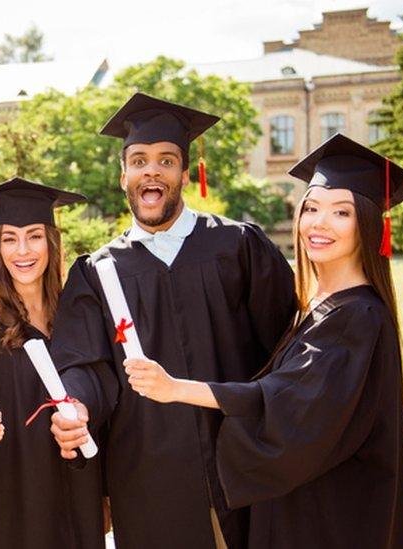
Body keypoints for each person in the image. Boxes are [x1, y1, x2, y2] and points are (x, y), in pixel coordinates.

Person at [129, 133, 403, 548]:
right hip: (308, 502)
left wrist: (177, 389)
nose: (319, 223)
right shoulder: (320, 303)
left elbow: (286, 404)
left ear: (370, 224)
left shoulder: (357, 317)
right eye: (312, 208)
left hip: (332, 514)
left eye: (342, 212)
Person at [48, 92, 297, 548]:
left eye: (166, 160)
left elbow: (287, 345)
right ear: (123, 175)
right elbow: (84, 364)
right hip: (147, 477)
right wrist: (79, 404)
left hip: (239, 464)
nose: (152, 171)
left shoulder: (238, 247)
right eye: (139, 160)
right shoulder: (97, 272)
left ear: (185, 173)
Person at [0, 178, 105, 549]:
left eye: (34, 236)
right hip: (10, 490)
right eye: (9, 238)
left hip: (74, 484)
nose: (22, 250)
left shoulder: (78, 314)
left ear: (52, 242)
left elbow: (102, 383)